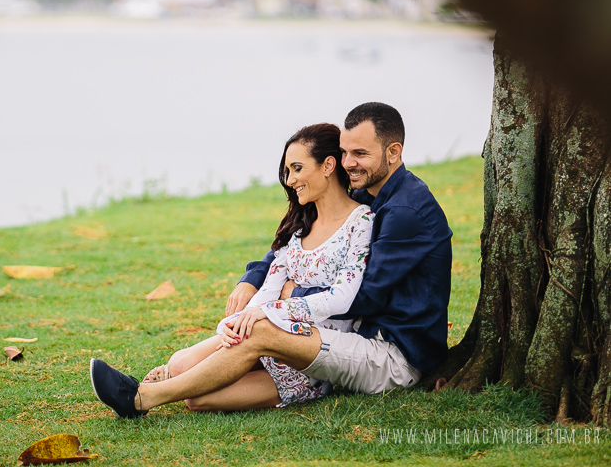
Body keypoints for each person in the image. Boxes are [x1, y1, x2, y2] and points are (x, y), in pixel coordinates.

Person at [89, 102, 453, 418]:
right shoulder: (369, 194)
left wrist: (284, 302)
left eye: (361, 154)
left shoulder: (401, 210)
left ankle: (141, 398)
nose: (349, 163)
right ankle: (165, 381)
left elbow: (364, 296)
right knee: (205, 377)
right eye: (345, 152)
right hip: (351, 334)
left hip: (392, 351)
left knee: (256, 334)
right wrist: (255, 279)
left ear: (393, 152)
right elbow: (294, 248)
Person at [139, 123, 374, 411]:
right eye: (288, 171)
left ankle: (147, 396)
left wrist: (268, 311)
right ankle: (183, 379)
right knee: (180, 363)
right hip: (265, 328)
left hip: (307, 354)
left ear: (327, 165)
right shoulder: (300, 226)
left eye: (298, 168)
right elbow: (270, 286)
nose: (290, 180)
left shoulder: (360, 221)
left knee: (197, 399)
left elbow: (342, 297)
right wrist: (230, 325)